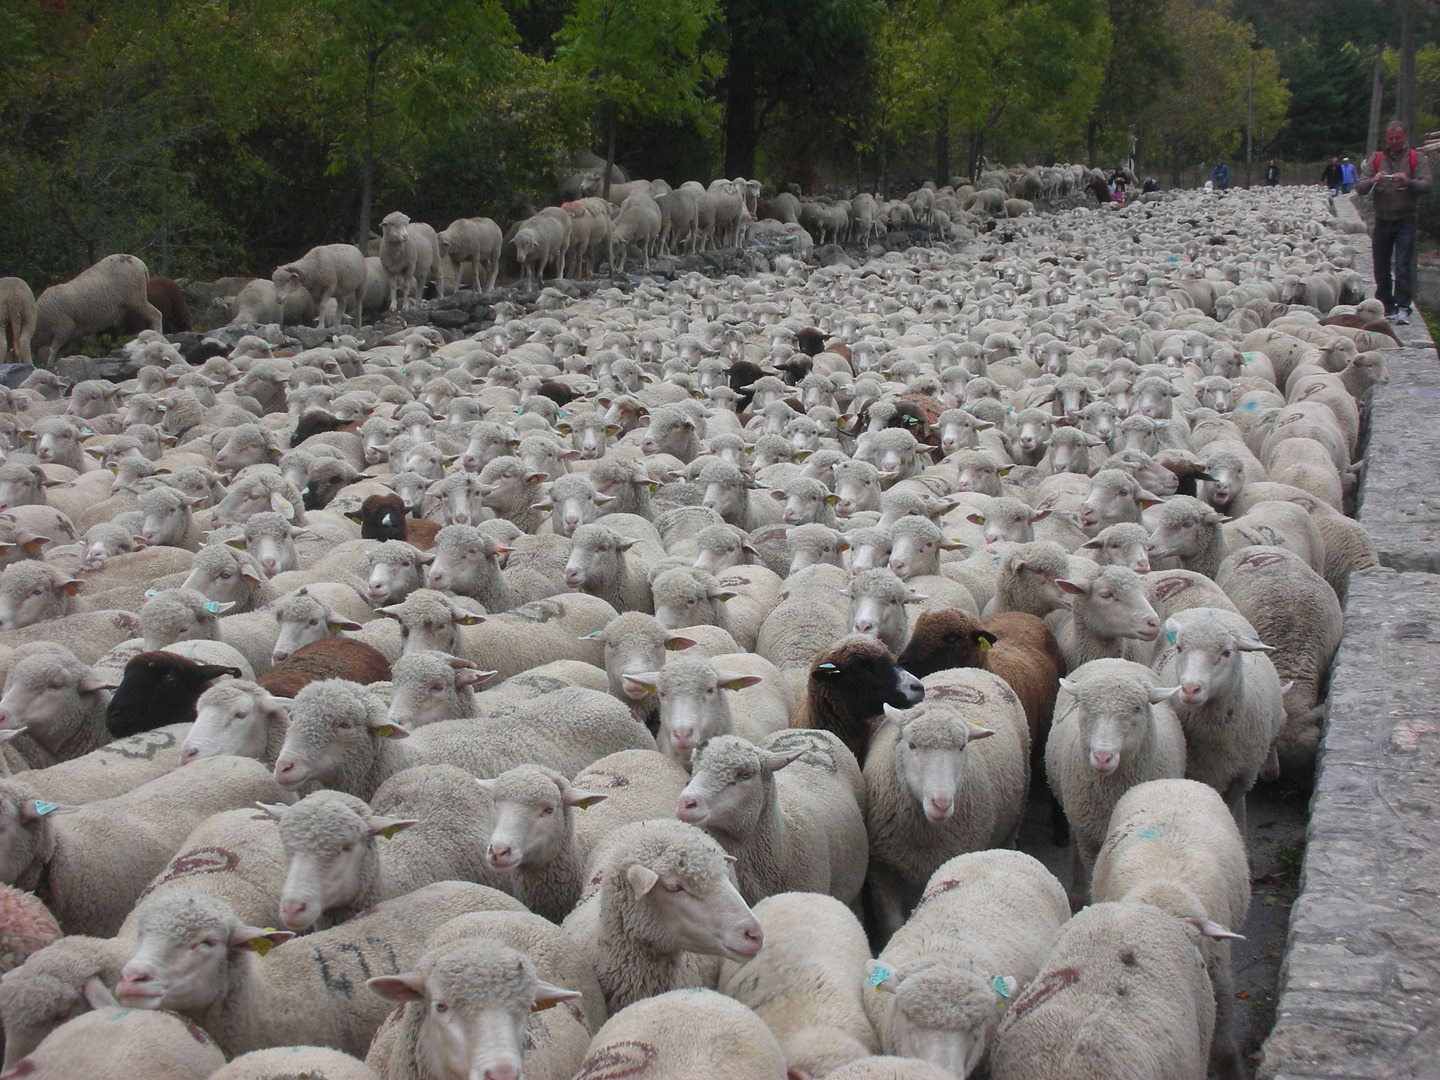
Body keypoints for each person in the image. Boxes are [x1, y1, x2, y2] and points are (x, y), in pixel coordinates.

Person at [1355, 121, 1433, 325]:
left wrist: (1408, 182)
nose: (1394, 141)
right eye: (1391, 138)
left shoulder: (1417, 158)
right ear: (1386, 139)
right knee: (1380, 265)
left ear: (1405, 137)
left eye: (1398, 138)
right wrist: (1374, 180)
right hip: (1382, 218)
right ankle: (1386, 305)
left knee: (1402, 264)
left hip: (1406, 218)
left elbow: (1427, 184)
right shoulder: (1377, 158)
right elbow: (1360, 186)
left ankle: (1403, 307)